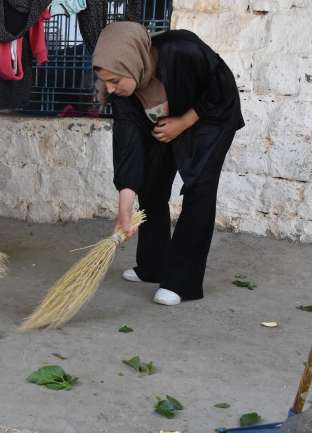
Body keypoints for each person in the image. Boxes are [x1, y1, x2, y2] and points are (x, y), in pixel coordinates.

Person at [92, 22, 244, 306]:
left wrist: (184, 121)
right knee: (151, 183)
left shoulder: (184, 51)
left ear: (133, 64)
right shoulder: (121, 94)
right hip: (165, 119)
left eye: (114, 80)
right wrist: (123, 213)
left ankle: (181, 282)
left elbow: (222, 89)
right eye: (105, 82)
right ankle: (153, 266)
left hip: (210, 116)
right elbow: (129, 149)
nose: (110, 89)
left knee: (198, 187)